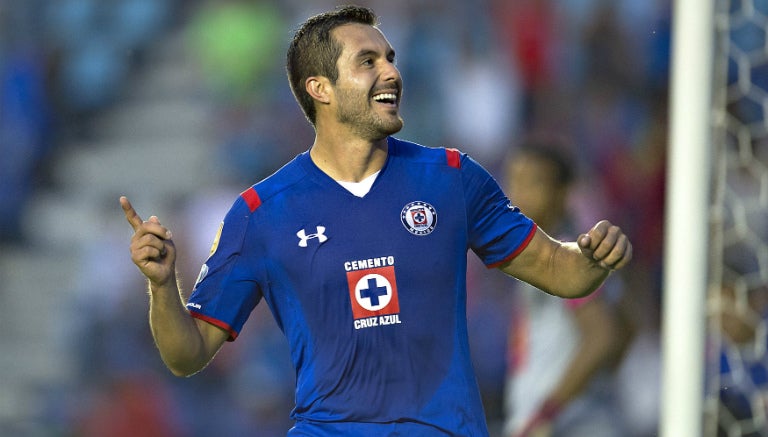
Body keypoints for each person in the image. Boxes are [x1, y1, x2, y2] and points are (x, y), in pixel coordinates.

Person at [120, 5, 632, 436]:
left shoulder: (452, 178)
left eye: (390, 58)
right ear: (320, 88)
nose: (391, 73)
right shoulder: (261, 213)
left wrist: (593, 258)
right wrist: (162, 286)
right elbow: (186, 355)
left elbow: (562, 272)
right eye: (368, 62)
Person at [501, 139, 632, 437]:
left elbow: (603, 335)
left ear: (563, 193)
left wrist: (550, 409)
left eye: (533, 183)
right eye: (514, 181)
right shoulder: (540, 253)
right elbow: (628, 325)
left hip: (563, 425)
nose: (518, 194)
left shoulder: (565, 258)